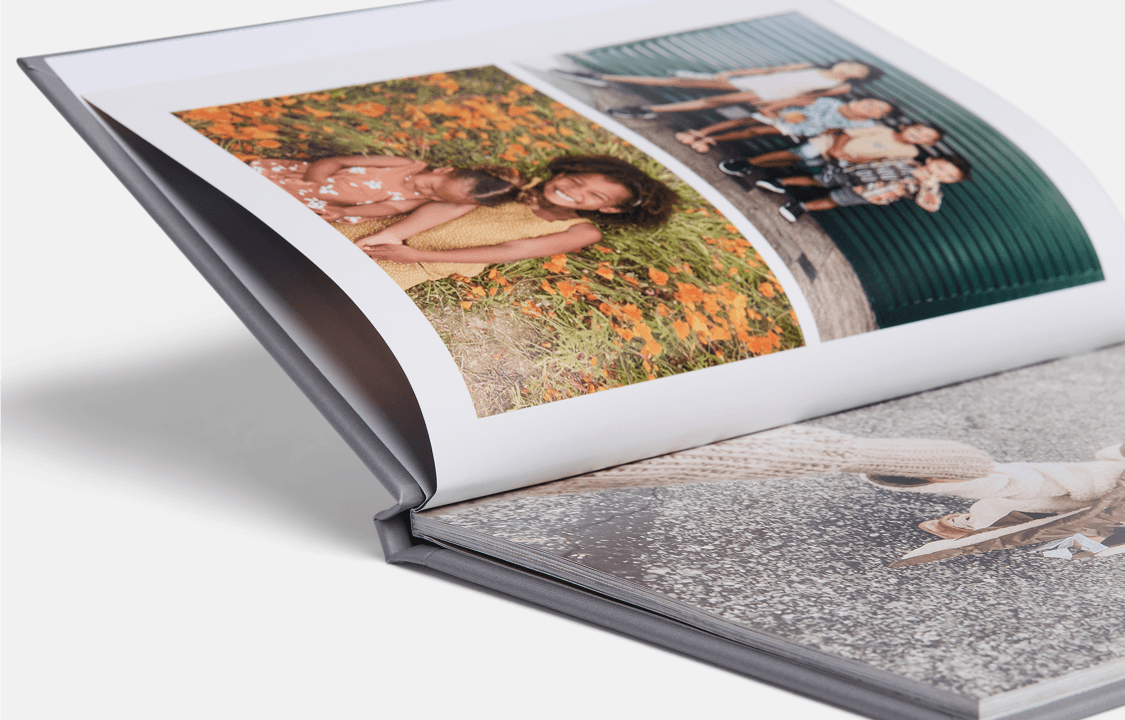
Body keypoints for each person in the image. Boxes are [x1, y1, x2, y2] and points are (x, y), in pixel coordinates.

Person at [334, 155, 679, 290]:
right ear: (565, 172)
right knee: (334, 244)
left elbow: (510, 250)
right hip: (402, 228)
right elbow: (453, 206)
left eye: (595, 197)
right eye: (575, 181)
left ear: (611, 211)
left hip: (424, 262)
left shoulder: (581, 231)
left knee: (349, 286)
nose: (574, 192)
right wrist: (391, 236)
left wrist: (414, 257)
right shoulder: (515, 184)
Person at [551, 60, 883, 119]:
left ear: (856, 80)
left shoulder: (838, 87)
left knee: (708, 103)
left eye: (858, 73)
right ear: (848, 62)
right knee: (676, 83)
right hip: (752, 81)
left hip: (766, 95)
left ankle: (649, 111)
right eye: (854, 64)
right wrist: (733, 72)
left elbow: (807, 98)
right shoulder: (808, 65)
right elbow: (767, 70)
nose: (851, 70)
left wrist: (774, 105)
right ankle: (602, 77)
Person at [250, 154, 520, 223]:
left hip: (321, 204)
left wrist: (339, 214)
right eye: (434, 186)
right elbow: (337, 161)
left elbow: (385, 207)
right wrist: (314, 181)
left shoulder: (415, 200)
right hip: (309, 179)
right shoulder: (406, 165)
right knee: (260, 185)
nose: (428, 192)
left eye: (436, 197)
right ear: (443, 170)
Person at [768, 155, 971, 222]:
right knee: (817, 180)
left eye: (949, 176)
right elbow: (878, 160)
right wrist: (848, 163)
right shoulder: (908, 160)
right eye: (942, 167)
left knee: (834, 200)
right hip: (852, 173)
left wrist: (927, 186)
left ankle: (801, 207)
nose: (942, 173)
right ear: (931, 160)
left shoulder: (931, 188)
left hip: (869, 193)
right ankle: (782, 182)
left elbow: (931, 206)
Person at [720, 123, 943, 178]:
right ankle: (747, 162)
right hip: (830, 144)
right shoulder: (882, 129)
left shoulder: (912, 153)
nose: (920, 136)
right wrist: (837, 150)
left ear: (928, 144)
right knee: (799, 154)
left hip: (848, 159)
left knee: (800, 165)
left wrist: (851, 159)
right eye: (920, 130)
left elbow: (883, 157)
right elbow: (846, 133)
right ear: (907, 126)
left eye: (927, 138)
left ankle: (754, 166)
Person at [674, 97, 893, 153]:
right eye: (873, 104)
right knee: (745, 120)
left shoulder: (859, 123)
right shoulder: (833, 103)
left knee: (754, 131)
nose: (872, 109)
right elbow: (795, 101)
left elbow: (832, 131)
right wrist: (772, 109)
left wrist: (812, 132)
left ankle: (711, 140)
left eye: (878, 111)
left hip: (800, 128)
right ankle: (697, 132)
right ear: (865, 100)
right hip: (786, 114)